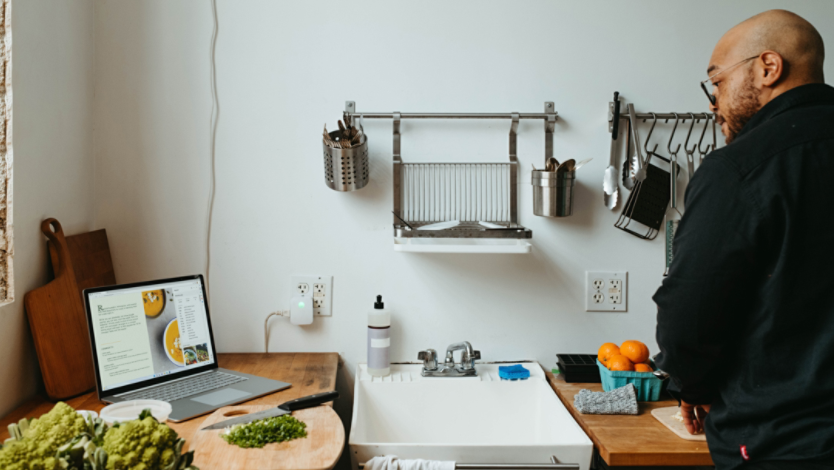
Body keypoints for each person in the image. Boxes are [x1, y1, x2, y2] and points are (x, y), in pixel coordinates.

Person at [654, 9, 833, 470]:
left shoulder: (740, 167)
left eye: (716, 82)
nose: (714, 102)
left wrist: (689, 385)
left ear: (768, 68)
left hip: (784, 443)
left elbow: (690, 313)